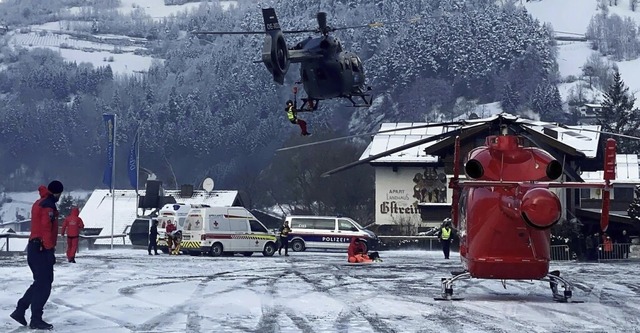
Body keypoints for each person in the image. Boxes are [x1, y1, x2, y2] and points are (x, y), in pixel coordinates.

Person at [11, 180, 63, 330]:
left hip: (34, 248)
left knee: (40, 282)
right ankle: (35, 318)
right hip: (41, 249)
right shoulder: (48, 206)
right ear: (57, 192)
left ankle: (21, 309)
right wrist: (48, 250)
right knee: (44, 285)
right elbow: (47, 229)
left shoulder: (40, 202)